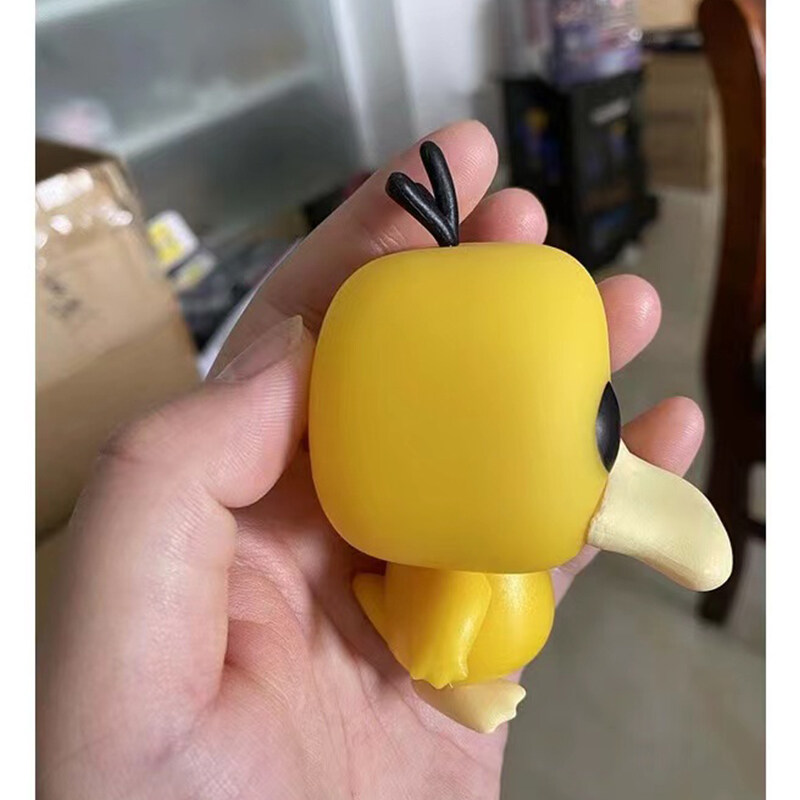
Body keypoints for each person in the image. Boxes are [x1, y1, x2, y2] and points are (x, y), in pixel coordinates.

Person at [37, 121, 704, 799]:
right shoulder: (431, 516)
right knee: (451, 615)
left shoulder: (485, 501)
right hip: (419, 603)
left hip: (428, 588)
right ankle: (436, 666)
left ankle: (436, 663)